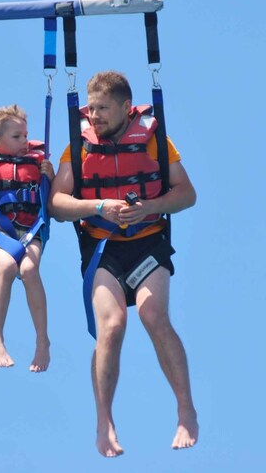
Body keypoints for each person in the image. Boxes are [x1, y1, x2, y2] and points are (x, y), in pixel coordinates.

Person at [48, 71, 199, 456]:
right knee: (111, 326)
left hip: (149, 243)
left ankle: (185, 410)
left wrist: (149, 207)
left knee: (153, 315)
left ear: (126, 108)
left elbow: (187, 195)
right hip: (103, 249)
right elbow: (58, 204)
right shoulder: (78, 148)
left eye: (102, 108)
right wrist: (99, 206)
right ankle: (104, 422)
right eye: (91, 107)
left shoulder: (154, 143)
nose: (94, 116)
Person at [0, 105, 55, 372]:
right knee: (6, 267)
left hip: (32, 228)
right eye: (17, 137)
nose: (25, 142)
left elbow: (49, 202)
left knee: (29, 269)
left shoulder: (37, 163)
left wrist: (49, 178)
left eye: (25, 135)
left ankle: (42, 340)